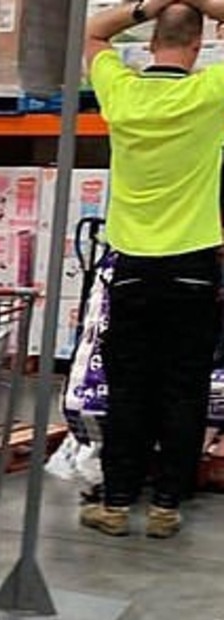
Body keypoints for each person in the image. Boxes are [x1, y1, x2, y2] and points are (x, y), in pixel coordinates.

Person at [79, 0, 224, 539]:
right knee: (184, 387)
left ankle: (115, 504)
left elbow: (93, 33)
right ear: (198, 45)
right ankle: (166, 506)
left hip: (134, 266)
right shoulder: (210, 93)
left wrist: (148, 4)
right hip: (193, 266)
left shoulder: (123, 93)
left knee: (129, 387)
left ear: (151, 41)